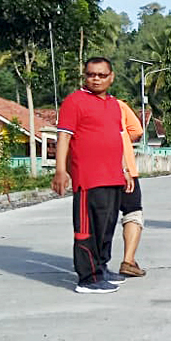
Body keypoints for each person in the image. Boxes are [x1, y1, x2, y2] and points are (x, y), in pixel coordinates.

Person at [52, 57, 134, 294]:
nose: (95, 79)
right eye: (90, 75)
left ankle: (101, 267)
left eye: (101, 75)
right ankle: (88, 278)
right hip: (88, 178)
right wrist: (60, 170)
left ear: (111, 77)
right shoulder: (74, 102)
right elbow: (64, 137)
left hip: (112, 177)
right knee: (88, 229)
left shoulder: (113, 105)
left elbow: (118, 139)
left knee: (107, 227)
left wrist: (125, 170)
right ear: (85, 76)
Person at [116, 98, 147, 277]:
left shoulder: (78, 104)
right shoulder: (118, 105)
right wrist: (125, 139)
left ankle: (93, 263)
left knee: (99, 218)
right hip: (126, 169)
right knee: (133, 212)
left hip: (95, 173)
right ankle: (128, 260)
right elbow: (137, 131)